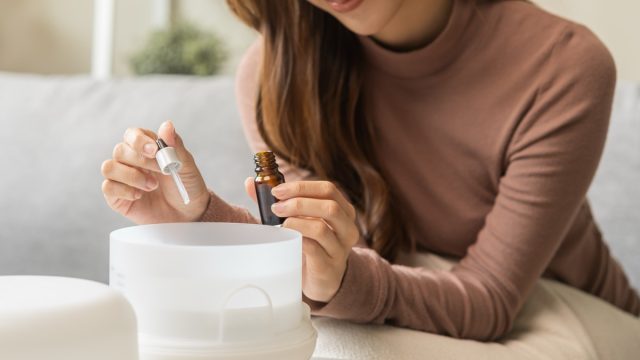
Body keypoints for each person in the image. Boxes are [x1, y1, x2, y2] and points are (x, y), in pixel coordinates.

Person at [101, 0, 640, 340]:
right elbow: (307, 257)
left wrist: (344, 279)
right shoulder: (278, 69)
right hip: (417, 302)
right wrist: (200, 218)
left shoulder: (563, 65)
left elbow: (489, 300)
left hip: (568, 313)